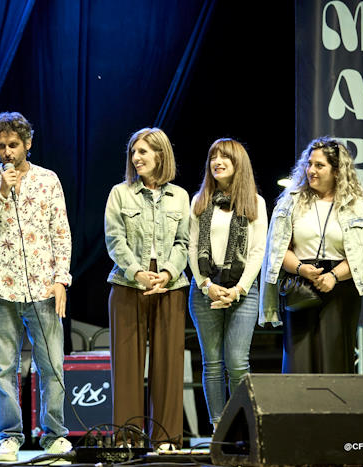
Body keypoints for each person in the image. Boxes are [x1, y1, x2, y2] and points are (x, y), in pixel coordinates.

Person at [0, 112, 72, 462]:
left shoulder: (48, 179)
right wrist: (1, 191)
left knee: (51, 365)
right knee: (2, 368)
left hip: (42, 288)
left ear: (27, 143)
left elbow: (60, 231)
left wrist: (61, 279)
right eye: (1, 146)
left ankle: (54, 435)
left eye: (13, 145)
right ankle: (10, 436)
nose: (7, 152)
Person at [259, 137, 363, 373]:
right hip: (300, 285)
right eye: (309, 164)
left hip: (340, 289)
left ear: (337, 171)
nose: (311, 170)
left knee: (335, 362)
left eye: (319, 165)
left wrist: (334, 277)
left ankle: (335, 410)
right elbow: (277, 252)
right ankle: (298, 410)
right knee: (299, 364)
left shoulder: (357, 205)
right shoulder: (290, 202)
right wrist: (300, 268)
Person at [104, 127, 189, 449]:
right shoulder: (120, 193)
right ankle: (127, 439)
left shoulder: (180, 196)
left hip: (171, 284)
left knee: (168, 366)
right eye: (134, 152)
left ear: (160, 155)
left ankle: (167, 438)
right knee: (126, 367)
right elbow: (114, 240)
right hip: (128, 283)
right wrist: (138, 272)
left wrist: (166, 273)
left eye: (143, 151)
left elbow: (183, 242)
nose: (136, 157)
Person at [187, 138, 267, 430]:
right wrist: (206, 284)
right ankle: (219, 429)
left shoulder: (255, 202)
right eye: (213, 158)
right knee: (211, 364)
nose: (217, 162)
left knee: (236, 363)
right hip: (205, 289)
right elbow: (192, 247)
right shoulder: (200, 201)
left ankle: (242, 427)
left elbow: (259, 250)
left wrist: (238, 290)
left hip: (242, 291)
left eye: (225, 158)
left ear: (238, 164)